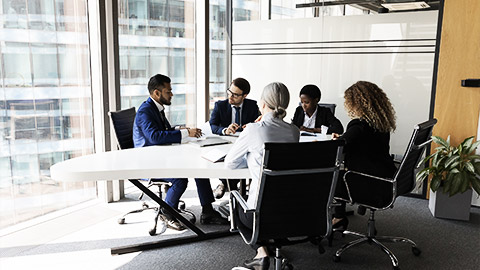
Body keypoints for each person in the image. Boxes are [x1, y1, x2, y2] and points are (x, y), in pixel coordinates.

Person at [133, 74, 228, 231]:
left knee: (199, 169)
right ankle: (166, 211)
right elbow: (155, 137)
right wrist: (185, 134)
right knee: (180, 179)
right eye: (168, 91)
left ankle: (208, 211)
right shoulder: (145, 111)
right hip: (149, 161)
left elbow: (164, 131)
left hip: (162, 155)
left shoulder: (156, 108)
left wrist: (184, 130)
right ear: (157, 93)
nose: (171, 94)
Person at [225, 82, 299, 270]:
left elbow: (230, 163)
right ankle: (271, 246)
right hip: (291, 211)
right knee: (270, 203)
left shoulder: (253, 130)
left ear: (264, 103)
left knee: (236, 203)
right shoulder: (294, 131)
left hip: (259, 215)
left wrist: (251, 155)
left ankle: (261, 251)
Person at [331, 81, 397, 230]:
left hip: (366, 182)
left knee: (330, 177)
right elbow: (362, 142)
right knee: (341, 174)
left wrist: (337, 139)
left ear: (355, 103)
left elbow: (337, 148)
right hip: (385, 179)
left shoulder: (358, 125)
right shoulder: (380, 123)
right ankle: (339, 216)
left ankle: (338, 217)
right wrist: (343, 137)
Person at [209, 78, 260, 199]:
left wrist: (252, 126)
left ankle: (229, 185)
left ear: (244, 96)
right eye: (229, 92)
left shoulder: (252, 105)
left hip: (244, 144)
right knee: (228, 160)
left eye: (235, 95)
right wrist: (225, 130)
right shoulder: (220, 105)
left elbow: (259, 123)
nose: (230, 97)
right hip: (226, 143)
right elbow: (212, 125)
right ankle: (229, 185)